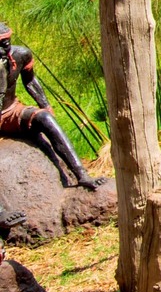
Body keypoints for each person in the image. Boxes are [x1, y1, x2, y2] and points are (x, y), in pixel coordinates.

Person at [0, 23, 107, 189]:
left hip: (11, 112)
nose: (2, 49)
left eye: (5, 44)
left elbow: (30, 81)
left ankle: (82, 174)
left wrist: (45, 105)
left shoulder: (20, 54)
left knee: (45, 118)